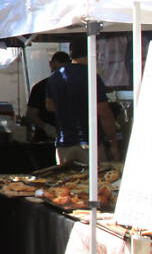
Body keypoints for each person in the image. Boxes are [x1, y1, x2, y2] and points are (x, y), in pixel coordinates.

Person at [45, 37, 118, 165]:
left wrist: (68, 109)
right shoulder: (91, 77)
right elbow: (103, 112)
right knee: (95, 182)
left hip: (63, 144)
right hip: (89, 143)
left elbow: (49, 106)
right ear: (92, 51)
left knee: (66, 183)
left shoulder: (54, 77)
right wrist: (113, 143)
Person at [25, 51, 67, 137]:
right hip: (44, 138)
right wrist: (46, 127)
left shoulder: (71, 87)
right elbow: (31, 114)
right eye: (56, 69)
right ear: (50, 65)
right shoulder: (40, 88)